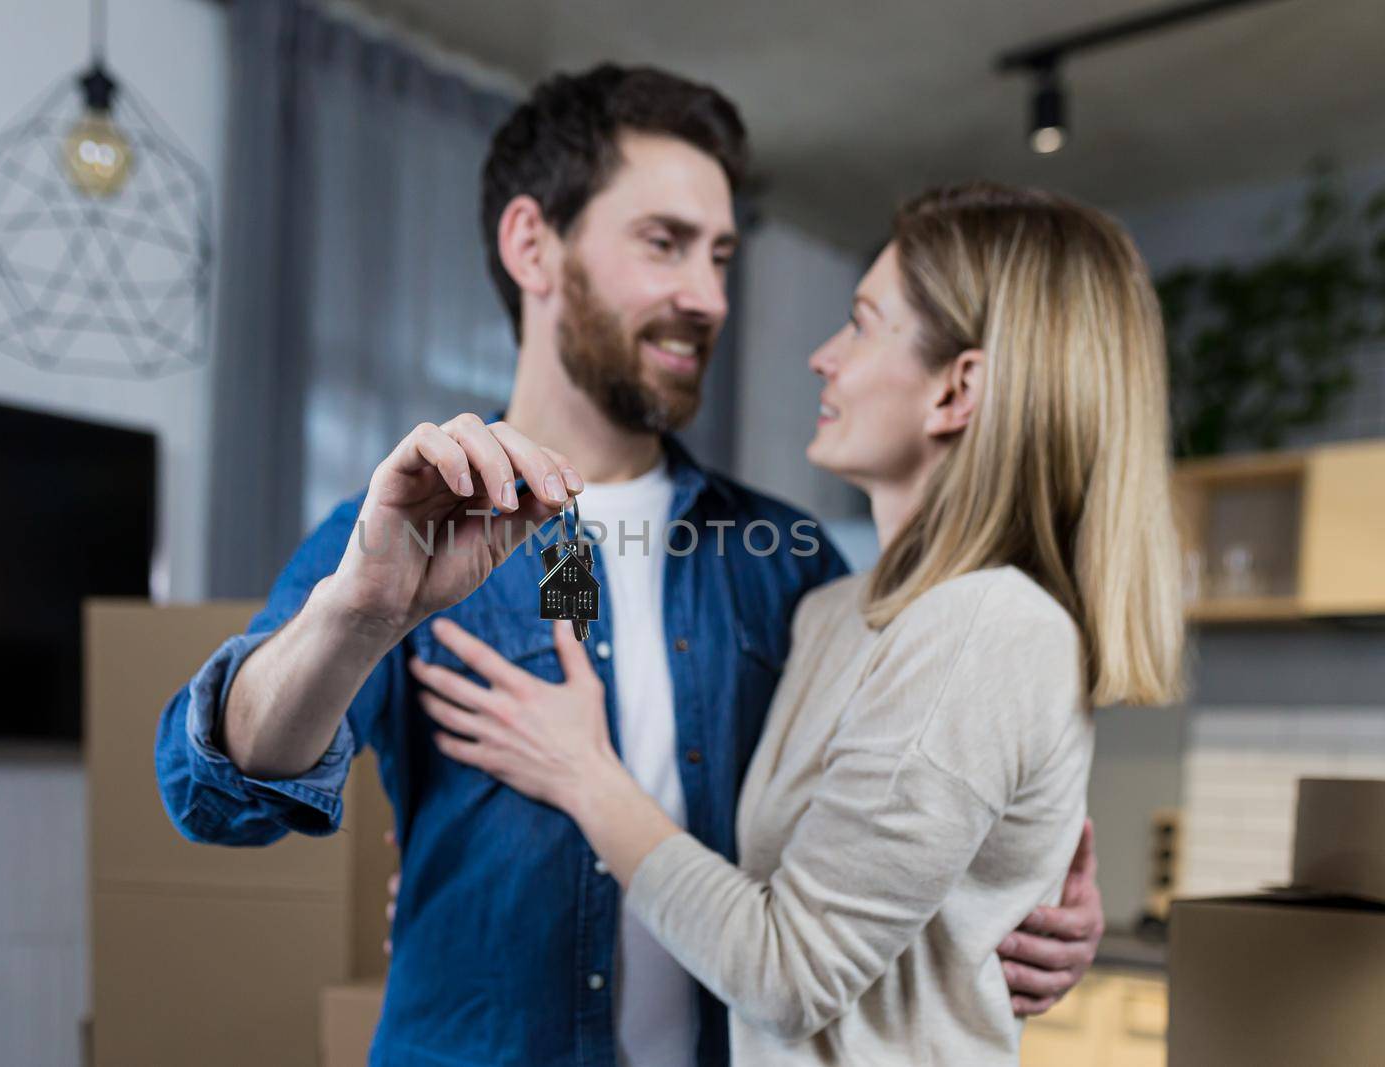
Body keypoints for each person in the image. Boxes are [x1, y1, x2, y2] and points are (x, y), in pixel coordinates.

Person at [154, 65, 1106, 1067]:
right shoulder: (391, 534)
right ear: (533, 244)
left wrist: (1008, 906)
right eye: (664, 243)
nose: (706, 297)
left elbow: (888, 834)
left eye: (723, 256)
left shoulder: (793, 567)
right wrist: (357, 614)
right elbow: (216, 797)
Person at [413, 181, 1184, 1064]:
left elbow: (791, 971)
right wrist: (462, 868)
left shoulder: (984, 630)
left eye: (861, 322)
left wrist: (583, 772)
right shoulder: (826, 608)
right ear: (531, 253)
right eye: (663, 242)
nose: (823, 356)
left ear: (956, 390)